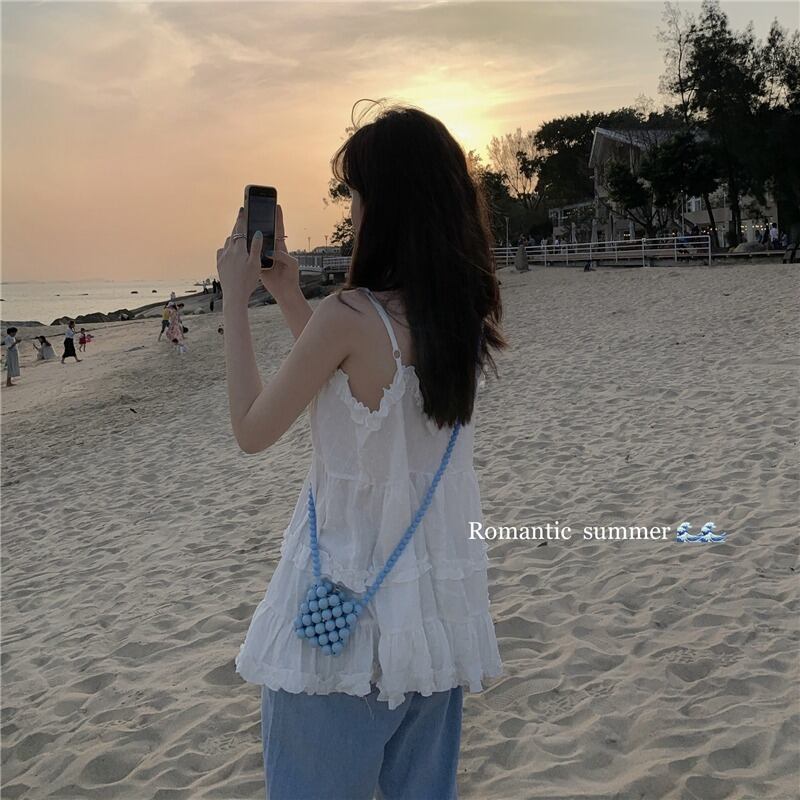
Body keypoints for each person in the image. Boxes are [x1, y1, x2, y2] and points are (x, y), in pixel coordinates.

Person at [220, 103, 505, 800]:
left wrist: (234, 300)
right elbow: (354, 380)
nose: (351, 210)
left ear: (386, 204)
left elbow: (252, 430)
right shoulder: (458, 319)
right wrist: (290, 296)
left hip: (341, 628)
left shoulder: (350, 316)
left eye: (355, 193)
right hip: (427, 628)